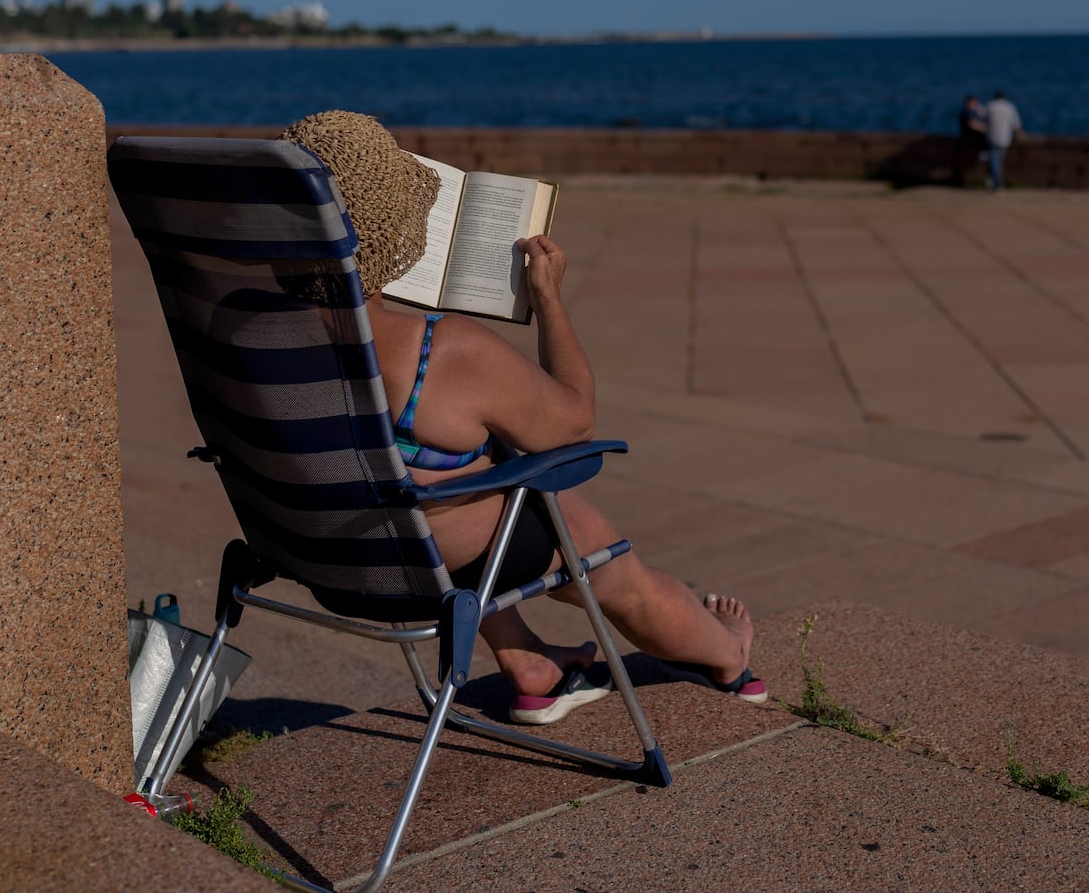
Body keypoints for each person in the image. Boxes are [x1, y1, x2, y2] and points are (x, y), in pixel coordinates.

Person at [279, 110, 762, 725]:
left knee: (451, 472)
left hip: (311, 542)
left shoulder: (247, 324)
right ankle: (725, 651)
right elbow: (573, 421)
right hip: (420, 556)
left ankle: (530, 664)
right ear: (385, 228)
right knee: (602, 555)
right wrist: (549, 301)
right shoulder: (440, 349)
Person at [984, 91, 1024, 191]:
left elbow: (984, 120)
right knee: (999, 160)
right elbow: (1016, 124)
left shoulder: (990, 106)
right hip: (1005, 138)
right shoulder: (1010, 107)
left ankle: (995, 181)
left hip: (992, 137)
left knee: (994, 160)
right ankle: (996, 182)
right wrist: (1020, 134)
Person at [952, 94, 987, 186]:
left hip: (965, 138)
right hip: (969, 139)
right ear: (970, 103)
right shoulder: (968, 112)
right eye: (974, 103)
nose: (976, 104)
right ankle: (983, 154)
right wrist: (983, 128)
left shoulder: (966, 111)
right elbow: (971, 124)